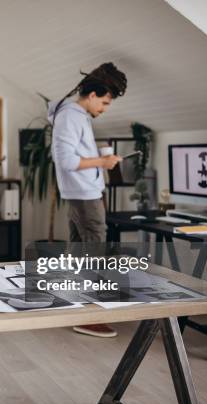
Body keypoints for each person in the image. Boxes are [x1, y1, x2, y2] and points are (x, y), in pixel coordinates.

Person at [49, 62, 127, 338]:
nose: (104, 109)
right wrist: (103, 162)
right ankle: (90, 315)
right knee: (94, 250)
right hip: (84, 193)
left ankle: (76, 307)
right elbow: (66, 159)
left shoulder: (75, 115)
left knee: (80, 250)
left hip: (82, 191)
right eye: (104, 102)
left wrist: (100, 160)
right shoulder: (71, 115)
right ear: (92, 95)